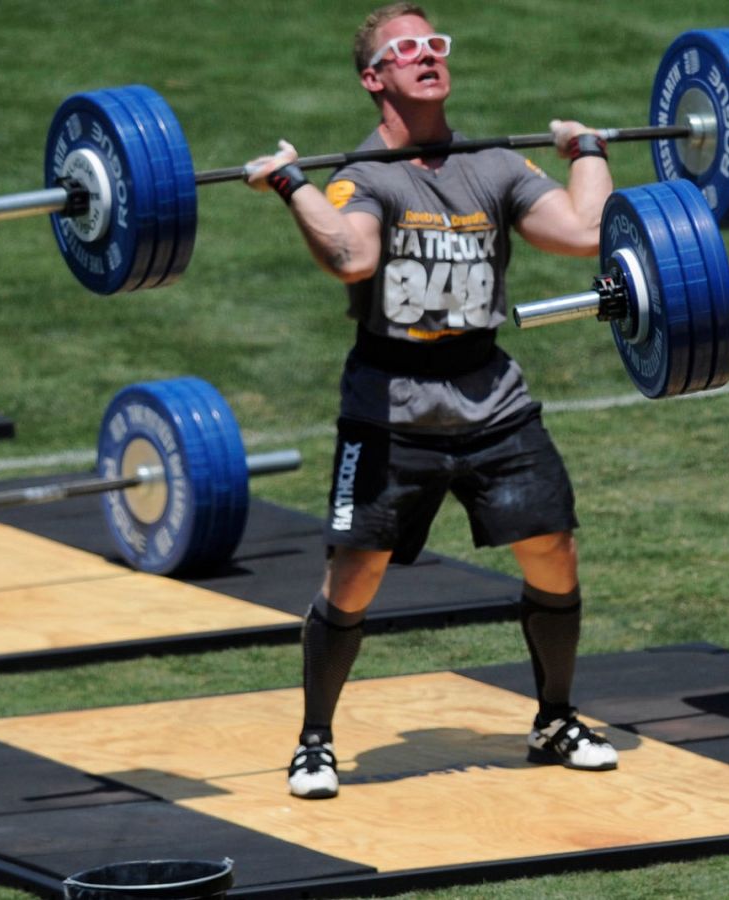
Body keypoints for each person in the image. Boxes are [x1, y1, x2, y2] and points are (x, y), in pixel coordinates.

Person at [243, 2, 618, 800]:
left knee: (553, 550)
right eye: (404, 48)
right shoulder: (364, 179)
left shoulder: (494, 167)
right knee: (355, 577)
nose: (426, 55)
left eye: (434, 44)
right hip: (391, 411)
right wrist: (291, 184)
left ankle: (554, 717)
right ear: (374, 77)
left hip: (493, 400)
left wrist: (586, 148)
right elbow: (348, 257)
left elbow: (587, 232)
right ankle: (315, 740)